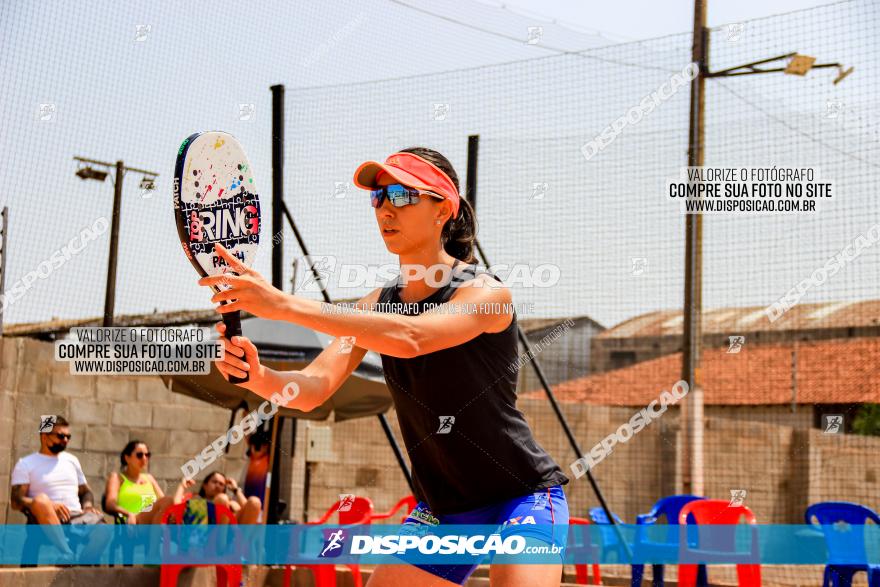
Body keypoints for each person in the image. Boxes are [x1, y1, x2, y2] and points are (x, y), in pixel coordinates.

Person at [199, 147, 570, 586]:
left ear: (443, 210)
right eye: (379, 197)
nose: (386, 208)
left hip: (522, 496)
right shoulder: (376, 304)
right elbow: (314, 386)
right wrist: (258, 376)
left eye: (403, 195)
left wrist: (281, 304)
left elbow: (412, 337)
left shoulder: (485, 293)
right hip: (445, 510)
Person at [10, 415, 109, 560]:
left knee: (104, 531)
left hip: (76, 517)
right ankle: (66, 552)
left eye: (68, 437)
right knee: (42, 500)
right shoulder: (26, 464)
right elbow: (16, 501)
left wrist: (87, 506)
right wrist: (50, 506)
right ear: (44, 436)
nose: (65, 440)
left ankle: (80, 569)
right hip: (44, 519)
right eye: (61, 436)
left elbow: (85, 491)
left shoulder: (72, 460)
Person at [103, 440, 175, 524]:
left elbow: (164, 502)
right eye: (139, 455)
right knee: (167, 501)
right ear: (127, 458)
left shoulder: (149, 478)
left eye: (147, 455)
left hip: (150, 520)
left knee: (170, 502)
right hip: (133, 521)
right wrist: (129, 514)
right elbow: (110, 505)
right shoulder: (117, 478)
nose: (144, 458)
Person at [191, 471, 262, 525]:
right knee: (222, 499)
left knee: (254, 501)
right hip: (209, 536)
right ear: (205, 485)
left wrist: (236, 490)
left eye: (221, 484)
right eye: (214, 482)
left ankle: (242, 543)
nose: (217, 486)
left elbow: (251, 510)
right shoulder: (197, 498)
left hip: (234, 538)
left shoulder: (230, 503)